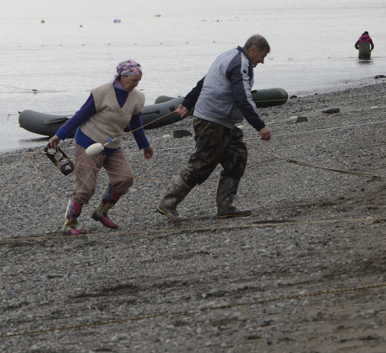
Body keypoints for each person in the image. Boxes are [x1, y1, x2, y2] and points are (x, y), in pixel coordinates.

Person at [156, 35, 272, 222]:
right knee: (201, 165)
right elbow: (243, 97)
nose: (262, 61)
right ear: (252, 50)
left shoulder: (227, 56)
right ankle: (168, 203)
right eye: (262, 56)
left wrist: (187, 103)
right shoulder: (239, 63)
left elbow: (204, 81)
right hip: (212, 121)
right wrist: (261, 126)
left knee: (237, 158)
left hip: (224, 122)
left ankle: (225, 206)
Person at [47, 60, 155, 236]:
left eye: (138, 81)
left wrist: (144, 144)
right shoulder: (101, 93)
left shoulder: (137, 98)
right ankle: (70, 224)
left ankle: (101, 211)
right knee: (85, 187)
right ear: (122, 76)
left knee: (125, 178)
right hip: (88, 143)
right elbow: (80, 115)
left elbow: (136, 123)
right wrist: (59, 135)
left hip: (112, 145)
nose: (136, 84)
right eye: (134, 80)